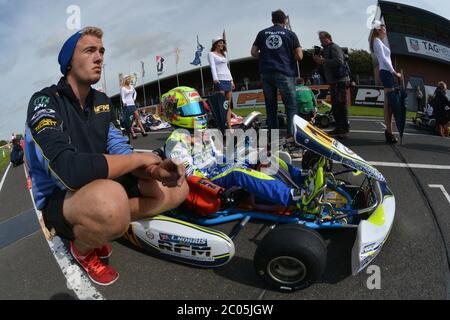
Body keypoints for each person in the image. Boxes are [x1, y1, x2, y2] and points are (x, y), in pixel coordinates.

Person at [25, 27, 188, 286]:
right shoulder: (45, 101)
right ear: (68, 62)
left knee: (178, 188)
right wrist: (139, 160)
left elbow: (121, 149)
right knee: (112, 203)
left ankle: (105, 224)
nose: (99, 57)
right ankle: (84, 246)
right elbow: (69, 172)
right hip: (61, 197)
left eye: (101, 51)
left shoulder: (101, 101)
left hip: (102, 185)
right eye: (90, 50)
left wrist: (156, 171)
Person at [161, 87, 309, 208]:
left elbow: (217, 156)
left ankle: (301, 176)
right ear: (174, 114)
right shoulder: (176, 141)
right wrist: (226, 172)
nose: (198, 113)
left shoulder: (201, 133)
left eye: (198, 107)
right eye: (190, 109)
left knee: (257, 154)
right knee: (239, 172)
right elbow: (190, 174)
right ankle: (292, 197)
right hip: (206, 182)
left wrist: (238, 156)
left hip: (216, 170)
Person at [251, 9, 303, 144]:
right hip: (284, 72)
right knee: (291, 105)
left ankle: (272, 136)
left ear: (272, 20)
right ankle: (291, 135)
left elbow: (253, 52)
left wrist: (265, 56)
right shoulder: (290, 34)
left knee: (271, 106)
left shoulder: (262, 33)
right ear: (285, 20)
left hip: (266, 73)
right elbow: (299, 56)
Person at [369, 21, 402, 144]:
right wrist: (394, 72)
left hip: (387, 73)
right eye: (384, 29)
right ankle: (389, 132)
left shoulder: (379, 42)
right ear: (378, 30)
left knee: (389, 104)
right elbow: (383, 59)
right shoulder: (377, 41)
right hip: (386, 73)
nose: (385, 32)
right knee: (389, 105)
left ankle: (389, 132)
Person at [313, 31, 350, 139]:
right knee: (336, 106)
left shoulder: (334, 47)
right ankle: (339, 128)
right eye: (319, 39)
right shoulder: (326, 50)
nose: (320, 41)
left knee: (341, 106)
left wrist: (323, 60)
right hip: (334, 81)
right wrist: (319, 61)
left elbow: (339, 61)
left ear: (328, 38)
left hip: (340, 81)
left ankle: (343, 130)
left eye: (321, 38)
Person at [208, 36, 235, 130]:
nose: (222, 44)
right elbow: (213, 67)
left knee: (228, 105)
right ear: (215, 44)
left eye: (223, 43)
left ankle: (229, 126)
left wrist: (232, 80)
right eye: (220, 43)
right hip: (219, 80)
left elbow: (227, 68)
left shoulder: (223, 55)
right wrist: (215, 79)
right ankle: (221, 126)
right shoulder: (211, 54)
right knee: (221, 105)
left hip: (227, 80)